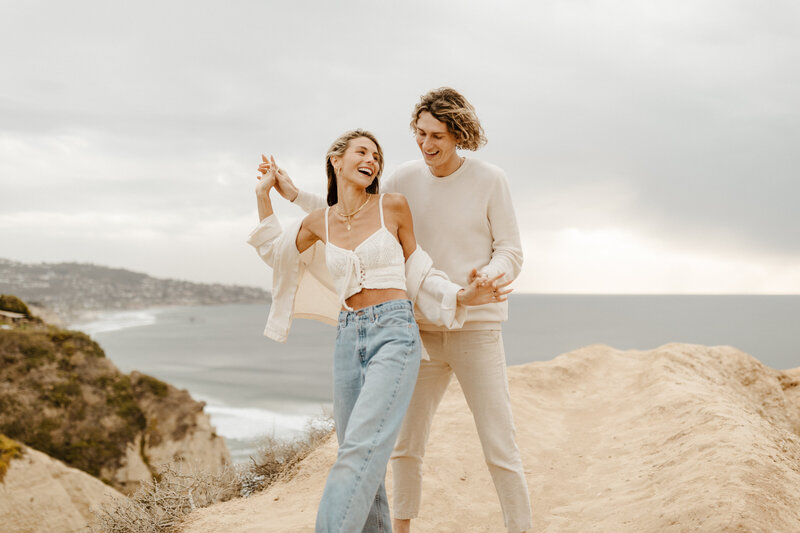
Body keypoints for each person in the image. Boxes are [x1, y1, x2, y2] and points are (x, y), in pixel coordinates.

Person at [270, 89, 533, 533]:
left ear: (459, 135)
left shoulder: (491, 179)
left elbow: (511, 249)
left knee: (499, 445)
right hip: (416, 329)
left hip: (476, 327)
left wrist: (489, 274)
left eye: (437, 136)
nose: (426, 144)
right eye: (420, 134)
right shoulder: (405, 180)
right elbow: (350, 215)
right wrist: (294, 194)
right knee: (406, 447)